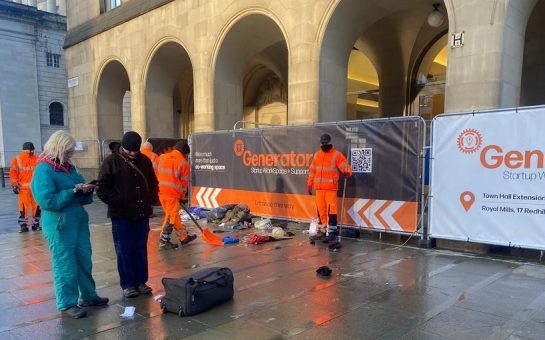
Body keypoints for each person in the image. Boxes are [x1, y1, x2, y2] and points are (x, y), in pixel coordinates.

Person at [31, 131, 108, 319]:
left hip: (77, 221)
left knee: (84, 259)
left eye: (70, 152)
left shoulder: (68, 167)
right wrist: (73, 191)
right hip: (59, 224)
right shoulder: (44, 169)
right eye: (67, 151)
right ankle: (67, 302)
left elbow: (78, 191)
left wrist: (85, 189)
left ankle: (88, 296)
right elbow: (47, 201)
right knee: (64, 263)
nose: (69, 155)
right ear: (57, 148)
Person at [96, 131, 159, 298]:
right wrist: (120, 200)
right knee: (124, 250)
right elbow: (102, 189)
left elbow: (153, 182)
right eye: (129, 150)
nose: (132, 154)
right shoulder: (111, 162)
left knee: (140, 248)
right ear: (122, 147)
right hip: (121, 215)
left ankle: (141, 281)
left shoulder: (144, 160)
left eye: (135, 151)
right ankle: (128, 284)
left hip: (141, 213)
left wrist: (151, 200)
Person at [307, 133, 352, 245]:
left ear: (330, 142)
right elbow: (312, 171)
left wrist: (347, 172)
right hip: (319, 189)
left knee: (331, 211)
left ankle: (332, 232)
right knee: (321, 210)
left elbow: (344, 165)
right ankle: (323, 231)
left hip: (330, 189)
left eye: (326, 142)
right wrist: (309, 184)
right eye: (323, 143)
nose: (324, 144)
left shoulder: (336, 155)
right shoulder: (317, 155)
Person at [157, 140, 197, 249]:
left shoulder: (162, 157)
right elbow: (184, 184)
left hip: (160, 191)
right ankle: (164, 240)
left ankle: (184, 237)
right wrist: (181, 197)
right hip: (172, 194)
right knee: (171, 217)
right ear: (184, 153)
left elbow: (157, 173)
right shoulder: (183, 163)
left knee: (174, 215)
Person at [10, 142, 41, 232]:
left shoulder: (36, 158)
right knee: (24, 207)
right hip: (23, 189)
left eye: (32, 150)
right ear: (24, 150)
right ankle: (24, 226)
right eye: (30, 150)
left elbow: (40, 173)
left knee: (37, 207)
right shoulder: (17, 159)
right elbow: (13, 173)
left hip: (35, 188)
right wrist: (14, 185)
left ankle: (35, 224)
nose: (31, 152)